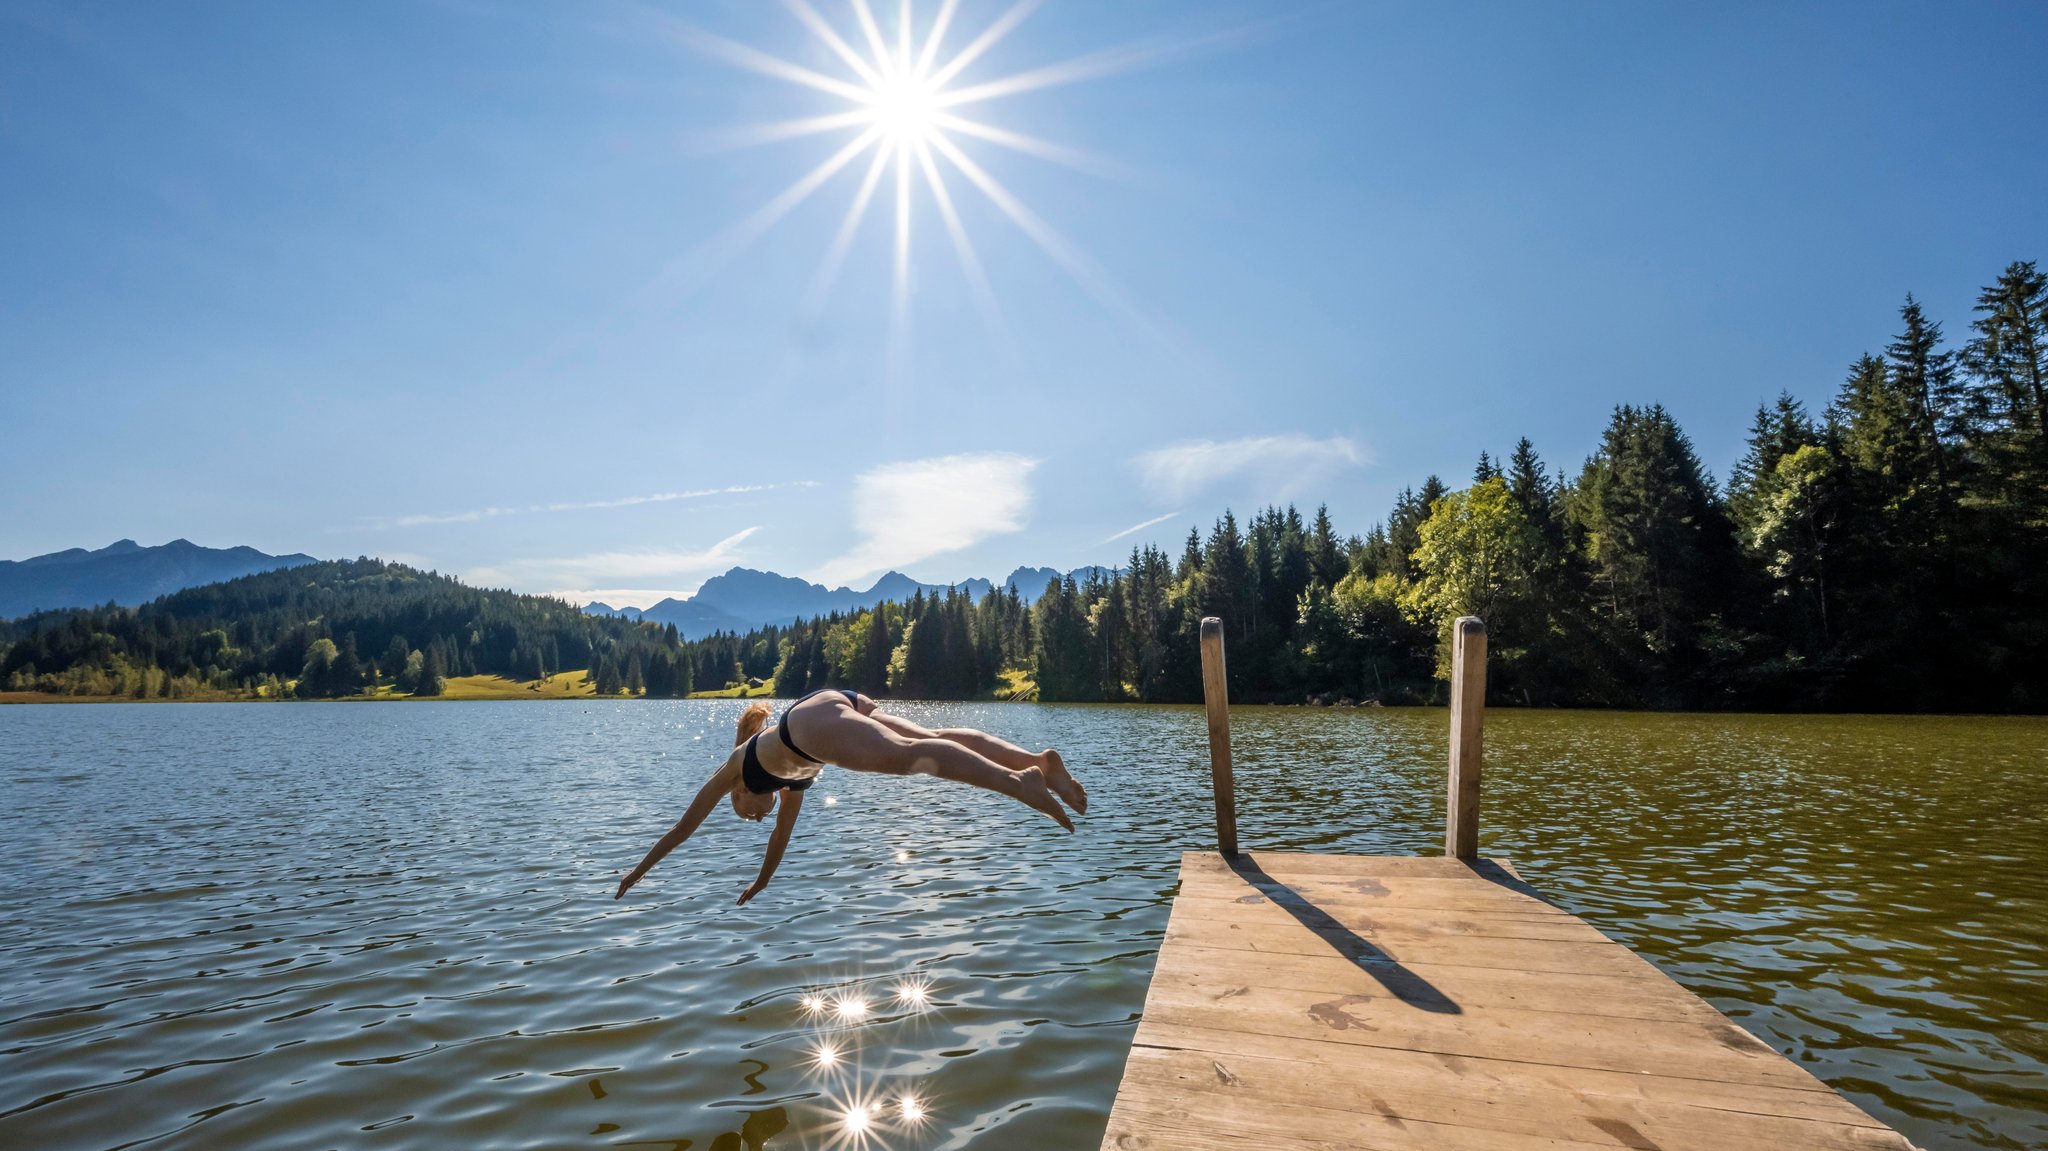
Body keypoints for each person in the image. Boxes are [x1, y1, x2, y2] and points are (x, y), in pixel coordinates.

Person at [614, 689, 1087, 904]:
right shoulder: (788, 783)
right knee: (933, 735)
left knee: (909, 756)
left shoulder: (736, 767)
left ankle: (1018, 782)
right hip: (831, 706)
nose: (753, 818)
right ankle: (1041, 763)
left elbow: (683, 828)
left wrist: (638, 871)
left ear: (737, 794)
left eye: (744, 814)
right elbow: (780, 839)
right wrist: (761, 882)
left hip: (810, 725)